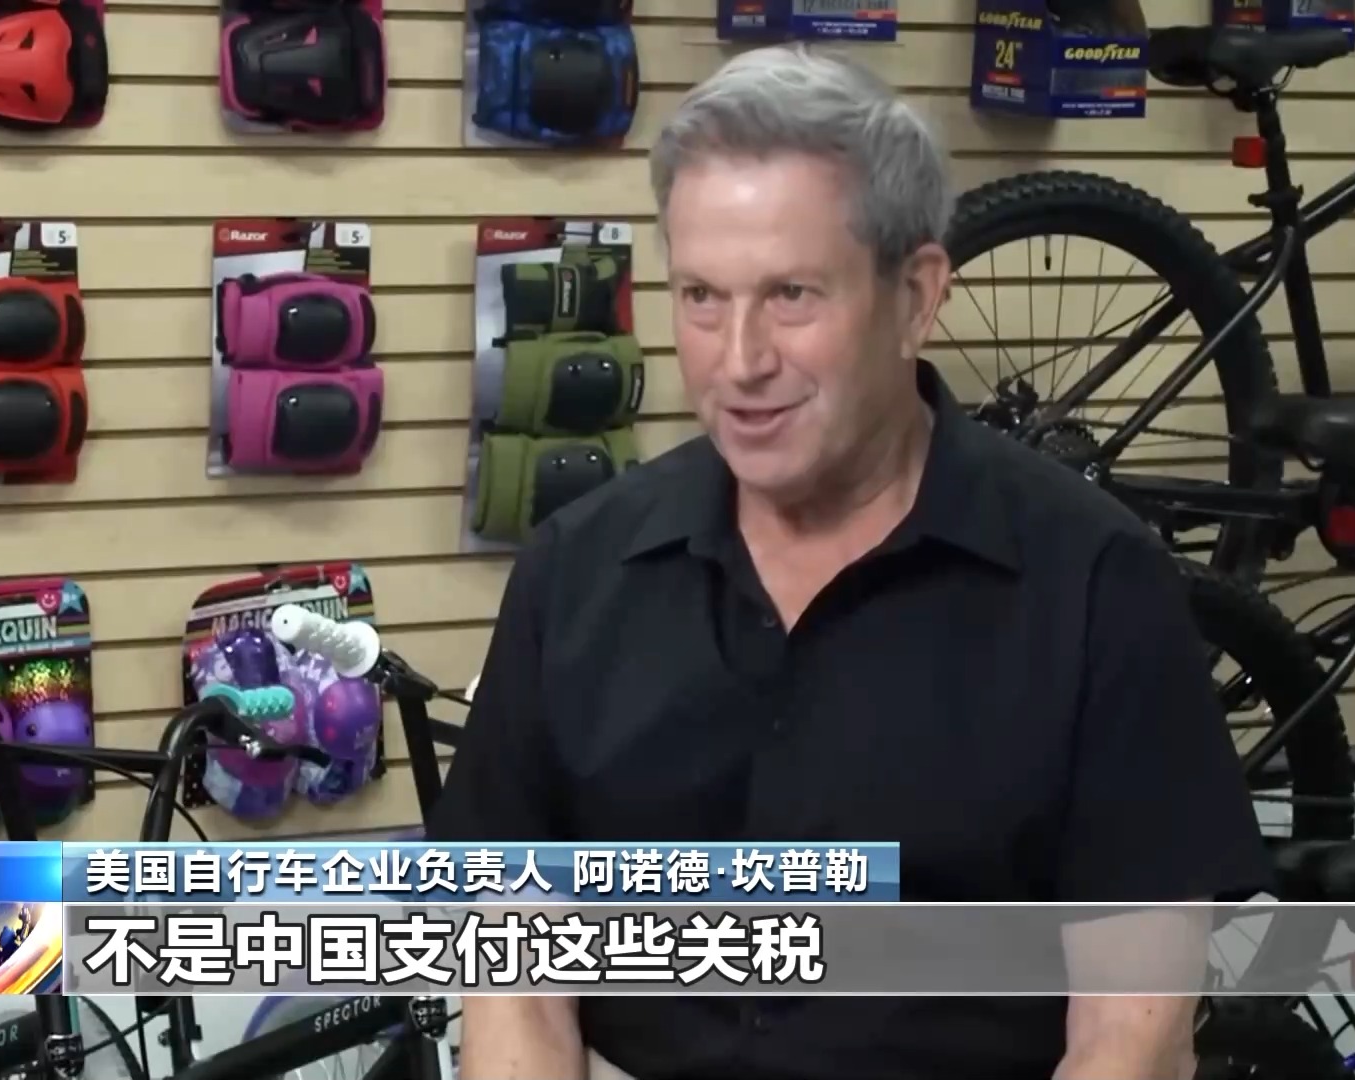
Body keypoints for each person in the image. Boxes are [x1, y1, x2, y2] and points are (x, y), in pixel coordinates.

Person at [428, 44, 1271, 1080]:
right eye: (701, 296)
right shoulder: (575, 571)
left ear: (916, 296)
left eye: (791, 295)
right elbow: (512, 976)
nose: (740, 361)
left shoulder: (1096, 585)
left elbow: (1133, 1036)